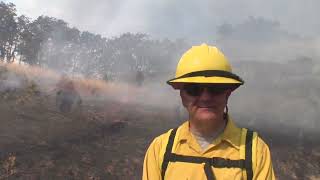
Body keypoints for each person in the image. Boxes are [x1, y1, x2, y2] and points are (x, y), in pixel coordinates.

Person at [142, 44, 275, 180]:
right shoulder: (160, 149)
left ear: (227, 94)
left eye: (215, 88)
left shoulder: (255, 151)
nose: (205, 97)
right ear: (182, 96)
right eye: (194, 89)